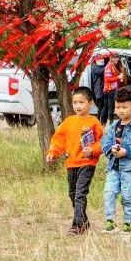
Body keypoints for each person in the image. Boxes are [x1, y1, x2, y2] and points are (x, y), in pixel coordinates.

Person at [46, 86, 103, 235]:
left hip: (87, 163)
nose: (78, 106)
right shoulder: (68, 122)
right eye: (75, 102)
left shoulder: (94, 122)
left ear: (90, 103)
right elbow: (58, 139)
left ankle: (77, 225)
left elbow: (103, 142)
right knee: (72, 194)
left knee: (80, 194)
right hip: (71, 164)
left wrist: (93, 150)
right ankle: (84, 221)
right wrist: (53, 152)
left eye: (81, 102)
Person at [102, 86, 131, 233]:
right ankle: (110, 221)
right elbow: (105, 143)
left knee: (128, 195)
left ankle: (127, 223)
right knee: (109, 192)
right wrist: (111, 149)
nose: (121, 110)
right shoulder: (113, 126)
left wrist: (127, 151)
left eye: (124, 107)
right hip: (113, 167)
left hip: (130, 168)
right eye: (118, 107)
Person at [100, 56, 125, 126]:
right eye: (116, 58)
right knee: (110, 107)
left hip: (110, 90)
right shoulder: (109, 67)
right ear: (112, 58)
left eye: (118, 58)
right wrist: (118, 77)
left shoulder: (112, 66)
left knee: (107, 107)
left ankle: (103, 122)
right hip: (109, 90)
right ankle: (109, 123)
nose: (118, 60)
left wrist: (119, 77)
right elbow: (107, 79)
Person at [89, 54, 107, 125]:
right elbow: (100, 71)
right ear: (96, 60)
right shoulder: (94, 67)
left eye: (102, 59)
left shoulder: (98, 66)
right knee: (101, 107)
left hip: (101, 90)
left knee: (103, 107)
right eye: (100, 59)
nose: (102, 60)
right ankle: (99, 122)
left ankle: (102, 122)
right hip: (99, 91)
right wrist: (108, 66)